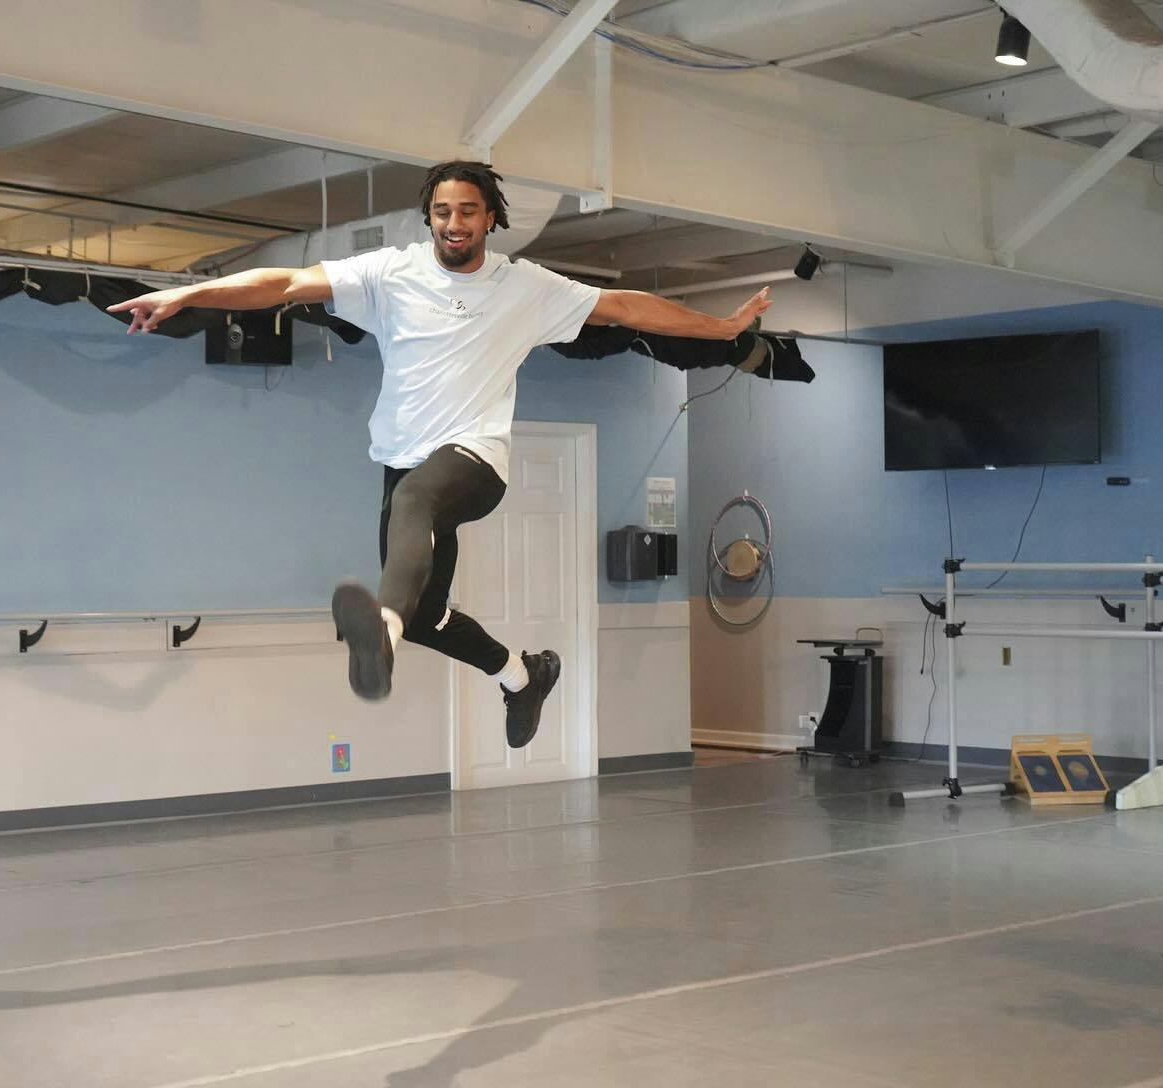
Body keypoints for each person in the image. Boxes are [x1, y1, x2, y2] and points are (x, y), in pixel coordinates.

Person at [109, 161, 771, 749]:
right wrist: (187, 293)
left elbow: (625, 306)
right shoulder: (389, 274)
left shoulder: (526, 286)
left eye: (468, 211)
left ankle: (382, 634)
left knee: (415, 502)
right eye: (443, 211)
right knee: (427, 607)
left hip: (475, 461)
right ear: (429, 217)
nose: (455, 223)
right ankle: (523, 674)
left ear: (490, 218)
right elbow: (283, 281)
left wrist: (722, 327)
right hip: (403, 459)